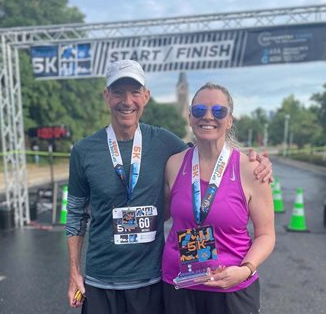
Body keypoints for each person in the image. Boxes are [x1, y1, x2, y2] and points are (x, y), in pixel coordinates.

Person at [65, 60, 273, 314]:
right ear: (107, 96)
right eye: (118, 92)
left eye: (135, 92)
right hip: (107, 281)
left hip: (153, 282)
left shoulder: (165, 143)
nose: (127, 101)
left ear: (146, 96)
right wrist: (74, 272)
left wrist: (257, 161)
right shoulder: (85, 150)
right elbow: (75, 214)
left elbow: (211, 154)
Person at [162, 83, 275, 314]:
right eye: (200, 110)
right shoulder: (173, 164)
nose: (208, 117)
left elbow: (266, 235)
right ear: (191, 116)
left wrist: (246, 269)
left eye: (219, 111)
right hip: (179, 285)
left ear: (230, 120)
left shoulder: (251, 169)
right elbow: (161, 214)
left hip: (231, 289)